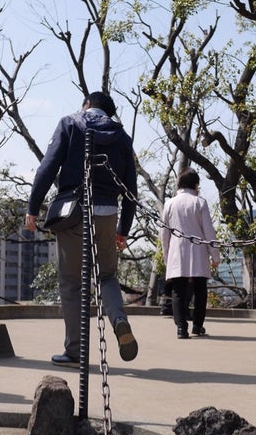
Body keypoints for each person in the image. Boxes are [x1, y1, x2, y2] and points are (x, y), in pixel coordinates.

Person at [25, 91, 139, 367]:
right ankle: (120, 320)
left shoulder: (70, 123)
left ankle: (75, 351)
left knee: (72, 283)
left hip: (74, 212)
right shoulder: (122, 137)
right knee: (108, 276)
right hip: (108, 213)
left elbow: (48, 166)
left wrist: (33, 206)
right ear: (108, 112)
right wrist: (124, 228)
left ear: (87, 104)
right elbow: (131, 189)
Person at [161, 168, 221, 338]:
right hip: (198, 251)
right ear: (196, 185)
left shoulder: (169, 203)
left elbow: (164, 235)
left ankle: (181, 328)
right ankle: (197, 325)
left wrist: (167, 258)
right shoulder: (199, 202)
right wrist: (215, 255)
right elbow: (209, 231)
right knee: (200, 289)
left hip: (177, 252)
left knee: (178, 290)